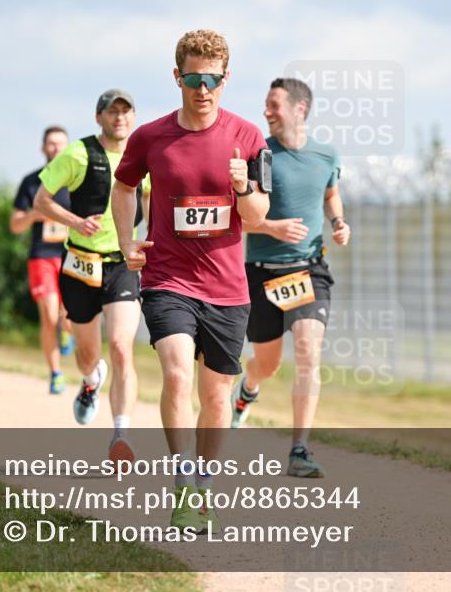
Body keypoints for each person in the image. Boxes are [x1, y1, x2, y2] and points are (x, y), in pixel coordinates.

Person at [113, 29, 269, 533]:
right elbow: (124, 186)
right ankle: (182, 486)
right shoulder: (151, 136)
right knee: (178, 374)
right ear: (178, 77)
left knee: (217, 396)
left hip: (227, 286)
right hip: (167, 277)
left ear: (226, 79)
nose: (204, 89)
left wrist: (244, 187)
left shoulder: (247, 137)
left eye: (214, 80)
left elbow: (260, 211)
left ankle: (205, 488)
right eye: (195, 79)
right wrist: (125, 240)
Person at [231, 78, 350, 478]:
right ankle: (249, 388)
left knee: (307, 353)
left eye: (274, 105)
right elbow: (242, 218)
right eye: (266, 105)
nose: (266, 112)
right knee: (267, 363)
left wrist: (338, 221)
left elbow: (330, 192)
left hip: (308, 269)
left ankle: (299, 450)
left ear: (300, 109)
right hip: (262, 273)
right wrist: (271, 228)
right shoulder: (260, 154)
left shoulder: (326, 153)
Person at [34, 90, 146, 462]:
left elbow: (159, 198)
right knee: (87, 353)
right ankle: (89, 380)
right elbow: (41, 201)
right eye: (112, 112)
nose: (120, 119)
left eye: (126, 112)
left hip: (121, 265)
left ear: (133, 118)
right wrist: (75, 222)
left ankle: (120, 434)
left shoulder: (142, 156)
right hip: (80, 263)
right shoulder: (78, 154)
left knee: (120, 345)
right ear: (99, 117)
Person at [11, 125, 76, 394]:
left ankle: (67, 329)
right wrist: (34, 216)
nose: (56, 148)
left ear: (68, 148)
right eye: (51, 144)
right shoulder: (31, 182)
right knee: (49, 315)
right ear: (43, 148)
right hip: (42, 256)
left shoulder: (76, 180)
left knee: (71, 314)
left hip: (74, 254)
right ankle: (55, 373)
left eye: (61, 144)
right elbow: (15, 225)